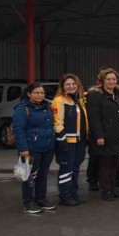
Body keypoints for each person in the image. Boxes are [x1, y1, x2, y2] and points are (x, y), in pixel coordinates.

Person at [14, 82, 56, 213]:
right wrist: (23, 149)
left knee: (42, 175)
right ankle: (28, 201)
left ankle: (41, 199)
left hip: (47, 147)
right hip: (31, 149)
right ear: (29, 94)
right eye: (36, 93)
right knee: (29, 176)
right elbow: (18, 130)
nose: (40, 95)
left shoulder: (47, 106)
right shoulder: (22, 109)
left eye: (42, 93)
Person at [87, 68, 119, 201]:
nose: (111, 81)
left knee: (114, 165)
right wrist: (99, 136)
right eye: (108, 79)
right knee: (105, 165)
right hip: (104, 136)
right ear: (102, 80)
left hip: (117, 135)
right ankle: (106, 191)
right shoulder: (95, 95)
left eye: (114, 79)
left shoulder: (117, 94)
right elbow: (94, 117)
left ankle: (113, 188)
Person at [51, 73, 89, 206]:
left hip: (80, 141)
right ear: (62, 86)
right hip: (67, 142)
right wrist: (63, 142)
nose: (71, 86)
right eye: (68, 84)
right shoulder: (59, 101)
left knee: (76, 168)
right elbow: (57, 124)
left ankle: (74, 194)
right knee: (66, 169)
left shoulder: (79, 100)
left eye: (74, 84)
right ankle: (65, 196)